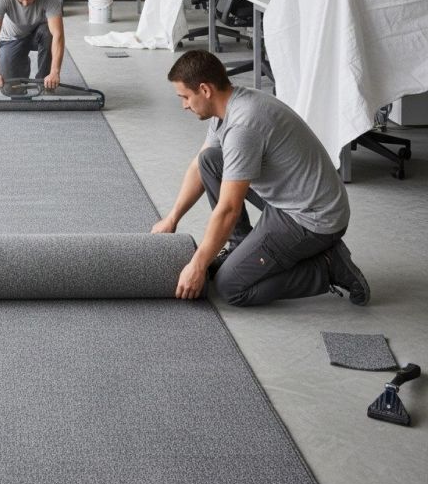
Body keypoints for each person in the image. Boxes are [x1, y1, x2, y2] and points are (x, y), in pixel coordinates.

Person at [152, 49, 370, 307]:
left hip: (313, 218)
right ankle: (240, 246)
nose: (184, 105)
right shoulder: (228, 107)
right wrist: (172, 218)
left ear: (205, 89)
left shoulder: (243, 127)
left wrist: (198, 265)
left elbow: (229, 208)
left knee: (229, 286)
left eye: (185, 97)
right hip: (294, 197)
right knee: (210, 160)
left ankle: (328, 268)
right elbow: (199, 168)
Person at [0, 0, 65, 90]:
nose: (25, 3)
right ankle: (20, 62)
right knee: (10, 88)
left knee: (49, 33)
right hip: (12, 37)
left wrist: (55, 72)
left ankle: (44, 83)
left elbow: (58, 35)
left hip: (38, 35)